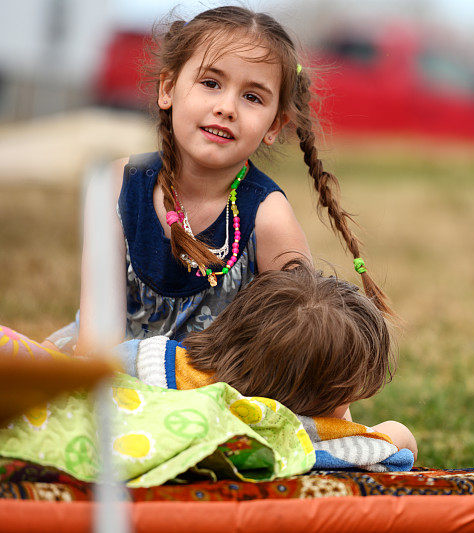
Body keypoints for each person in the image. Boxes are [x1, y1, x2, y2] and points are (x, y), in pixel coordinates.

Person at [44, 6, 391, 355]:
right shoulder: (116, 185)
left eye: (252, 97)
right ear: (168, 88)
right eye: (211, 83)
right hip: (111, 366)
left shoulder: (268, 218)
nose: (227, 107)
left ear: (274, 126)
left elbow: (306, 340)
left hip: (209, 388)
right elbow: (95, 334)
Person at [116, 260, 417, 459]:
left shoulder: (155, 359)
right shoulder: (288, 428)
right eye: (347, 395)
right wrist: (398, 433)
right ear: (311, 398)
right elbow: (378, 448)